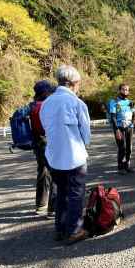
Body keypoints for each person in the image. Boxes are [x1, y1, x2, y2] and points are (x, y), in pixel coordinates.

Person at [40, 65, 91, 244]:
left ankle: (60, 230)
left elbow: (46, 128)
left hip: (53, 156)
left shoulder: (46, 103)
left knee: (61, 192)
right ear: (73, 83)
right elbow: (86, 134)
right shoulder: (77, 103)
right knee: (76, 193)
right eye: (78, 84)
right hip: (74, 155)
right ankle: (74, 231)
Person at [30, 80, 56, 218]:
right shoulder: (45, 107)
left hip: (37, 144)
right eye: (50, 90)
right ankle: (53, 208)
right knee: (55, 174)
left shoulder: (33, 106)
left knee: (43, 173)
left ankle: (40, 205)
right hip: (47, 143)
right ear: (45, 92)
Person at [109, 84, 135, 175]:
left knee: (129, 148)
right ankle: (120, 167)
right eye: (124, 89)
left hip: (129, 127)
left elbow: (134, 114)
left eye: (127, 90)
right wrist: (116, 129)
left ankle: (127, 165)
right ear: (119, 90)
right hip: (119, 127)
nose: (125, 91)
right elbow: (113, 117)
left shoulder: (130, 102)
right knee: (122, 148)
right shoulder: (114, 102)